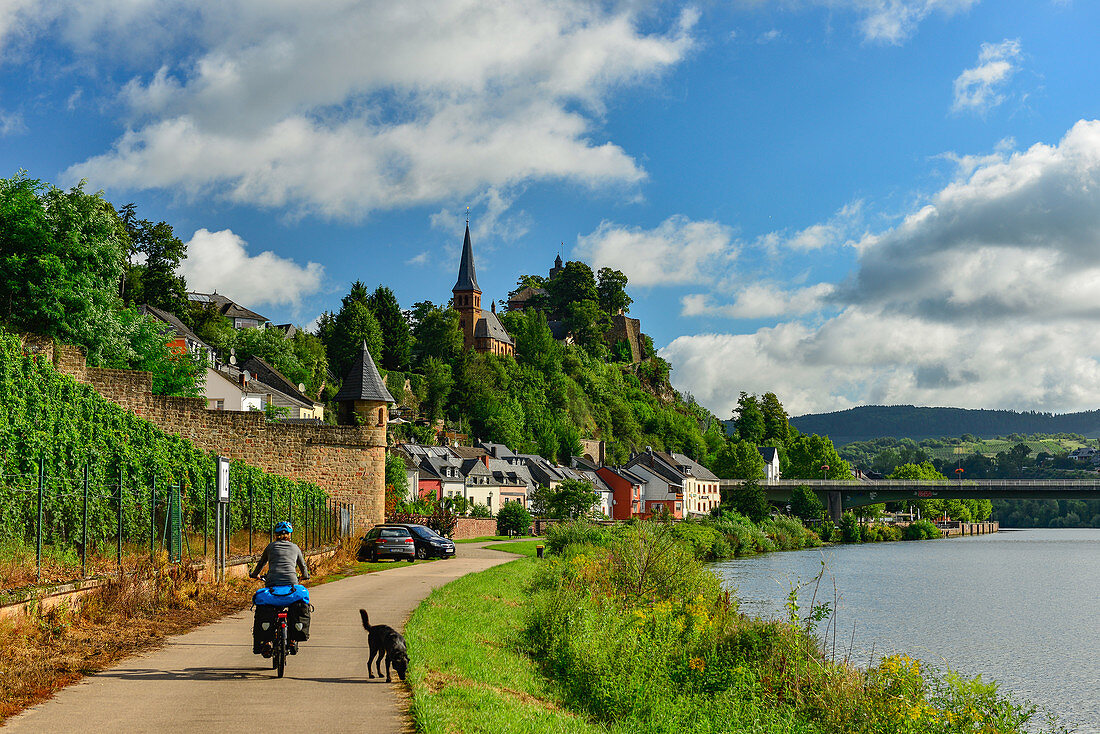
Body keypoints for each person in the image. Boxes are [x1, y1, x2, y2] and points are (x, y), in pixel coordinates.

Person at [250, 521, 310, 655]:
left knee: (267, 610)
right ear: (290, 535)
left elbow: (261, 564)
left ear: (276, 535)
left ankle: (266, 642)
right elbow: (303, 568)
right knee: (295, 609)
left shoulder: (270, 547)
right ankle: (293, 640)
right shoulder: (295, 548)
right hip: (291, 587)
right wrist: (304, 576)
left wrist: (255, 575)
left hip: (272, 586)